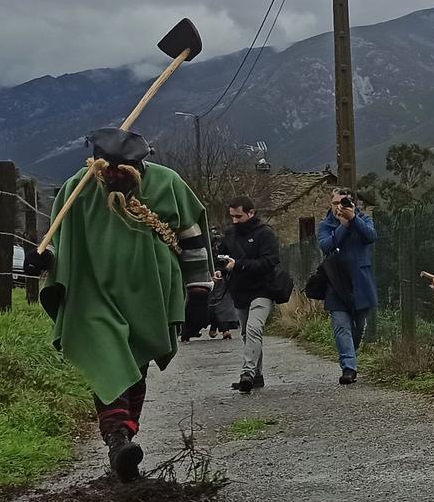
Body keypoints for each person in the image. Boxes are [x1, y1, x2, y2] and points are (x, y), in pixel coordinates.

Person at [29, 128, 213, 482]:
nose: (111, 175)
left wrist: (200, 292)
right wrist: (43, 259)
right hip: (94, 291)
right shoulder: (77, 189)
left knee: (135, 363)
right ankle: (117, 439)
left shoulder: (168, 184)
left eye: (120, 168)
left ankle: (123, 436)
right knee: (107, 355)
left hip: (150, 297)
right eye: (105, 168)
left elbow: (193, 240)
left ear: (138, 163)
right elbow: (60, 238)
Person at [216, 196, 280, 393]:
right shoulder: (229, 235)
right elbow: (223, 258)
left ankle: (247, 373)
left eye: (239, 216)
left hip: (262, 289)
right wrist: (221, 270)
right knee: (246, 333)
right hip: (240, 291)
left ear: (251, 213)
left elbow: (270, 262)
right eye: (232, 216)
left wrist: (239, 265)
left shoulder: (265, 234)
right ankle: (257, 374)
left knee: (253, 329)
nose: (235, 220)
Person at [317, 187, 378, 385]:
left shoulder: (364, 220)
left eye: (343, 203)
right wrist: (342, 227)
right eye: (335, 203)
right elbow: (326, 246)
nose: (338, 207)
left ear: (353, 204)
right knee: (341, 326)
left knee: (358, 326)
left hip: (361, 281)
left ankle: (350, 351)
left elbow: (371, 236)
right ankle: (349, 368)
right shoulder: (325, 225)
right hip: (336, 282)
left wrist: (353, 220)